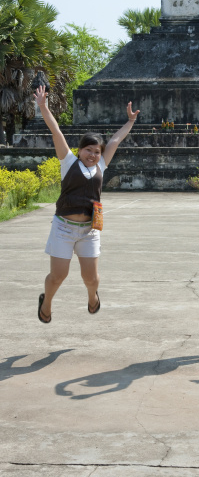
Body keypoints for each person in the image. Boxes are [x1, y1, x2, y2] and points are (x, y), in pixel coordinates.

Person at [34, 85, 140, 323]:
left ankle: (93, 296)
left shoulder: (101, 166)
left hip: (89, 230)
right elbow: (56, 131)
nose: (92, 155)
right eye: (88, 150)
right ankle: (47, 302)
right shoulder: (68, 161)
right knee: (58, 276)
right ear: (80, 150)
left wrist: (130, 122)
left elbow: (115, 140)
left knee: (90, 278)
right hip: (63, 228)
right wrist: (43, 106)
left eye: (96, 151)